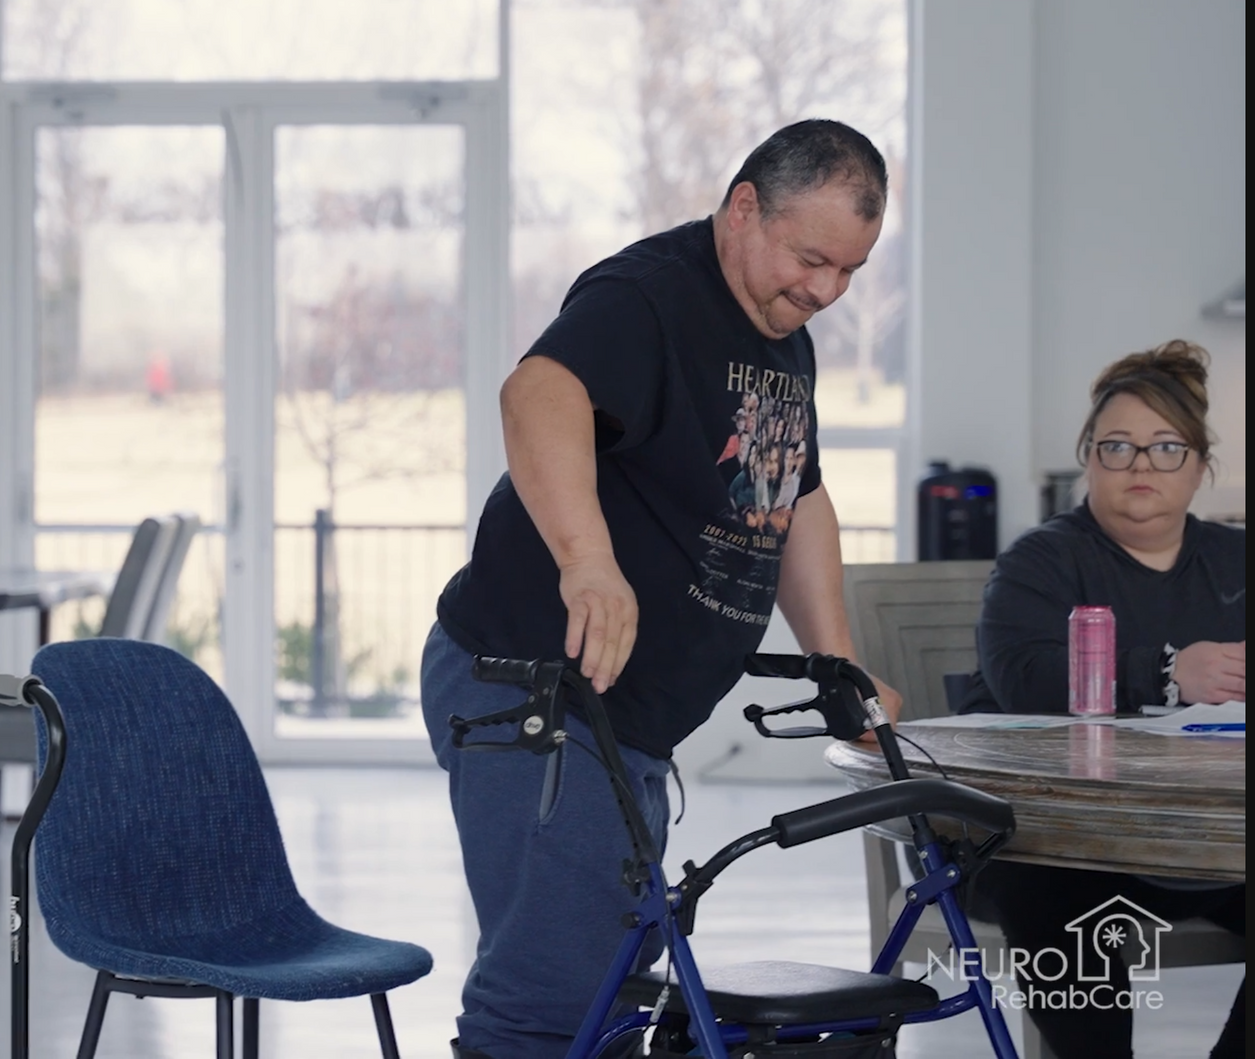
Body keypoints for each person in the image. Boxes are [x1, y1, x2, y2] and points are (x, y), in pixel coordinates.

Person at [423, 119, 903, 1059]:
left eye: (848, 272)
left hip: (625, 720)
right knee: (550, 1008)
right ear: (742, 209)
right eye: (811, 259)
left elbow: (795, 497)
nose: (824, 291)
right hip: (535, 691)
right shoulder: (650, 296)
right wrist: (587, 559)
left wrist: (836, 659)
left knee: (611, 998)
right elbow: (538, 393)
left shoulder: (779, 332)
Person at [957, 341, 1245, 1059]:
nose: (1141, 465)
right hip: (1056, 842)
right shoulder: (1041, 561)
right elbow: (1025, 677)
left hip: (1206, 842)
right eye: (1117, 446)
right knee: (1051, 890)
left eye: (1165, 447)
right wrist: (1171, 671)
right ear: (1088, 457)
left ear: (1202, 465)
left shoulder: (1236, 561)